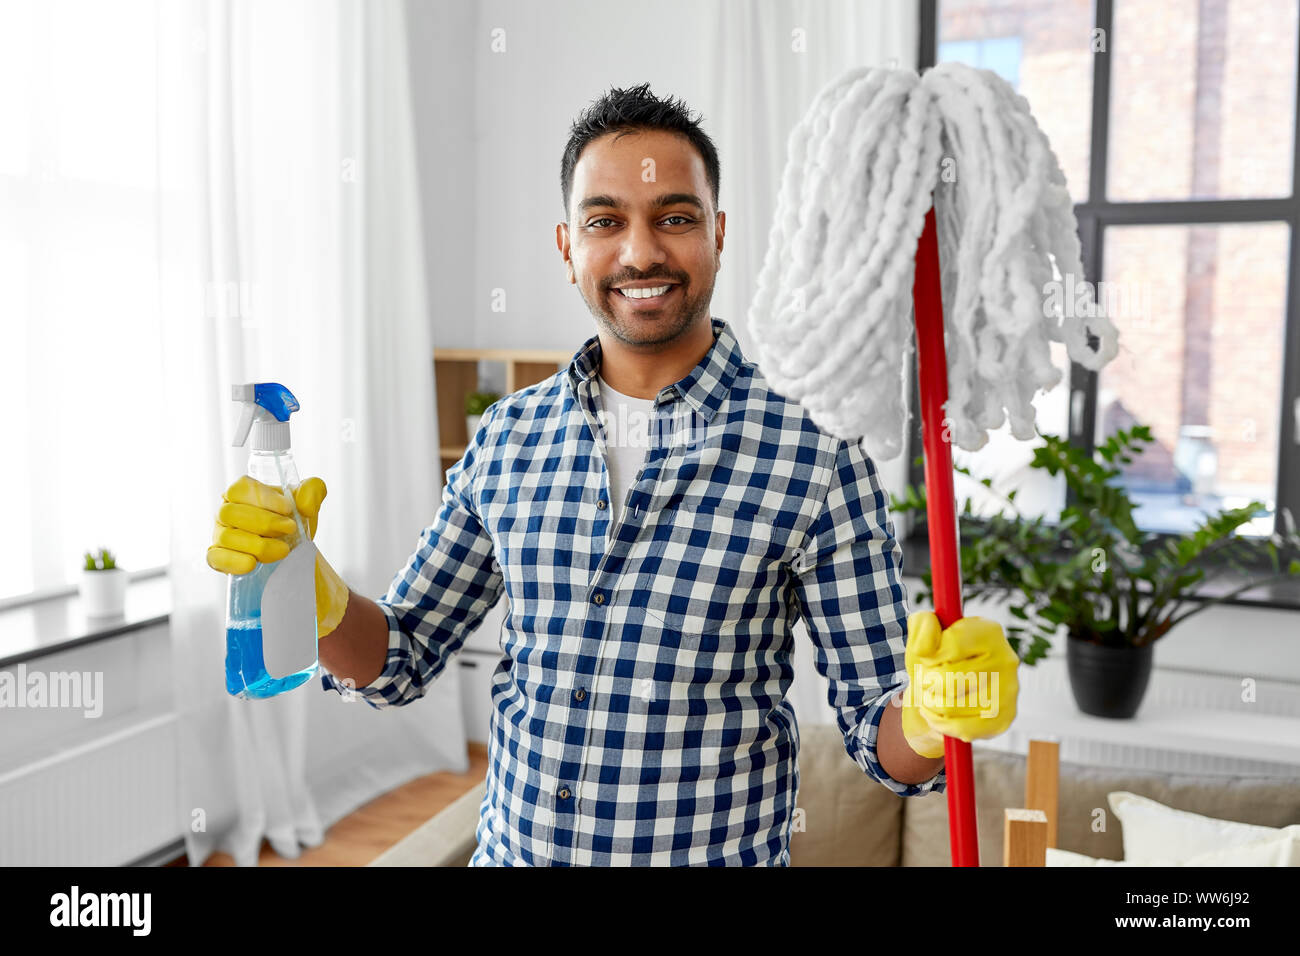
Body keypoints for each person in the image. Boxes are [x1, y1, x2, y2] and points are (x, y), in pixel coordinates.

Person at [206, 82, 1019, 866]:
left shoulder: (815, 449)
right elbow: (401, 657)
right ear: (568, 246)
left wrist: (927, 716)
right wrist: (314, 588)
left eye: (675, 216)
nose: (640, 251)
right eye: (605, 220)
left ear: (719, 234)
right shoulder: (507, 439)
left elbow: (884, 742)